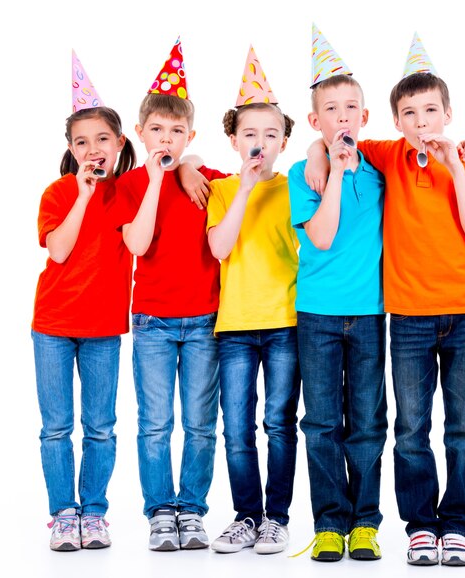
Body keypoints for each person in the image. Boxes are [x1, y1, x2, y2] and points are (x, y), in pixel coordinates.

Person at [308, 33, 465, 567]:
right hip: (409, 317)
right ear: (394, 122)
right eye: (410, 113)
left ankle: (457, 524)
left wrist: (456, 164)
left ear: (447, 113)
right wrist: (315, 151)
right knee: (411, 428)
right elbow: (334, 135)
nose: (421, 122)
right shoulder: (387, 156)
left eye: (431, 111)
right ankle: (420, 525)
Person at [114, 38, 228, 552]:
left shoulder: (205, 180)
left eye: (176, 131)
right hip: (153, 323)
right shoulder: (134, 184)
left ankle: (192, 509)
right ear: (140, 133)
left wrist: (191, 166)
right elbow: (136, 242)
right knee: (155, 423)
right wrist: (162, 177)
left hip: (205, 320)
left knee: (202, 425)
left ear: (190, 136)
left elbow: (259, 179)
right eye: (156, 130)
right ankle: (161, 511)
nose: (166, 137)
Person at [288, 26, 387, 563]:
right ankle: (330, 521)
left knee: (369, 421)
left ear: (365, 118)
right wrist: (327, 166)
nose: (343, 116)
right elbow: (321, 235)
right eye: (331, 109)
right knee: (322, 420)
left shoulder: (380, 171)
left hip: (370, 314)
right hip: (317, 315)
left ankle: (366, 521)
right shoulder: (304, 174)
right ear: (315, 121)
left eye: (352, 107)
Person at [32, 52, 136, 552]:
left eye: (102, 140)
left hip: (102, 328)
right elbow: (58, 249)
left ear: (119, 144)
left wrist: (186, 169)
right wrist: (81, 194)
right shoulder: (57, 193)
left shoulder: (130, 191)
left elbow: (178, 161)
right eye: (82, 142)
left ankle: (93, 512)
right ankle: (63, 513)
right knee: (56, 428)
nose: (93, 149)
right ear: (71, 150)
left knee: (100, 427)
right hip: (53, 324)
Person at [207, 47, 301, 556]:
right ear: (233, 141)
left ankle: (277, 518)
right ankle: (246, 515)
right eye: (249, 134)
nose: (260, 143)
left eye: (270, 135)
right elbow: (220, 248)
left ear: (284, 141)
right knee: (237, 428)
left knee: (279, 424)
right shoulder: (223, 191)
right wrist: (243, 189)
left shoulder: (296, 188)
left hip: (286, 323)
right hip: (235, 327)